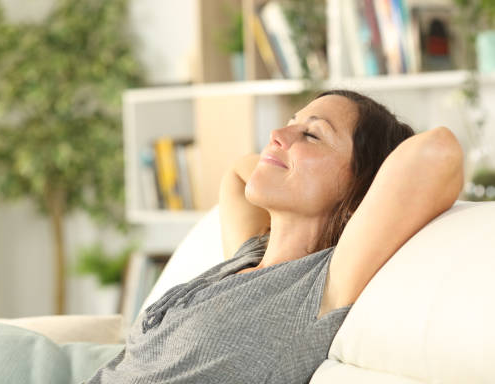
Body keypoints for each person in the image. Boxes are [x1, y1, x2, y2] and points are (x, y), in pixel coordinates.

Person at [87, 89, 464, 384]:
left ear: (360, 193)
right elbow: (237, 173)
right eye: (289, 122)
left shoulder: (319, 286)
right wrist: (289, 158)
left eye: (312, 135)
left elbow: (438, 151)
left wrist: (355, 198)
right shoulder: (248, 255)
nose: (277, 135)